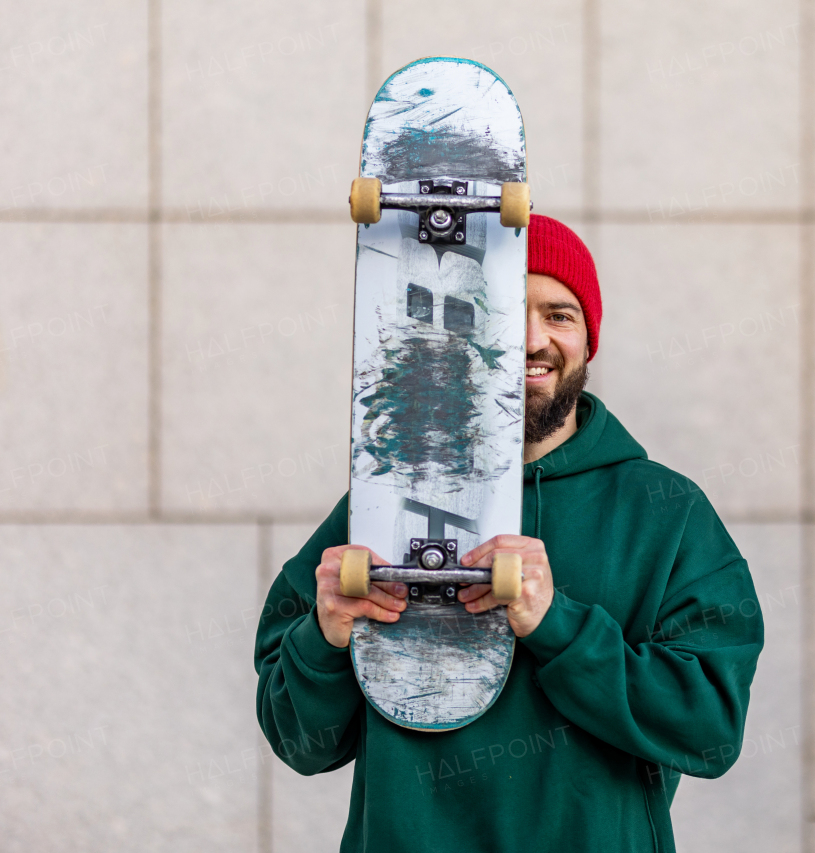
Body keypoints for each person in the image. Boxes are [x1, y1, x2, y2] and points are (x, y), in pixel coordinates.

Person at [254, 215, 764, 852]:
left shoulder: (666, 512)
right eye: (502, 308)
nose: (531, 339)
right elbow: (299, 742)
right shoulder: (384, 496)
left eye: (558, 314)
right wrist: (321, 641)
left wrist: (559, 626)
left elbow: (709, 731)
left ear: (588, 339)